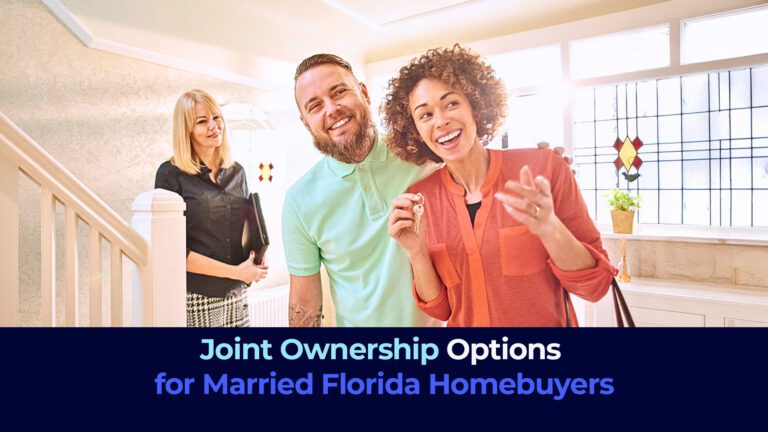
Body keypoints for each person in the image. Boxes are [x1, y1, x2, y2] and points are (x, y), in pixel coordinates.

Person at [383, 45, 616, 327]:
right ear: (415, 131)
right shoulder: (421, 201)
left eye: (451, 104)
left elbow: (595, 286)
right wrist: (416, 252)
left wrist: (549, 227)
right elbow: (441, 309)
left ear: (476, 106)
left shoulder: (544, 168)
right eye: (425, 115)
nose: (441, 120)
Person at [283, 54, 435, 327]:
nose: (331, 109)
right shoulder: (299, 201)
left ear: (363, 93)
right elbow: (304, 304)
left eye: (339, 92)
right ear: (306, 123)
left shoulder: (422, 155)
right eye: (315, 106)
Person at [155, 89, 268, 327]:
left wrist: (256, 257)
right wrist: (237, 272)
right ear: (186, 130)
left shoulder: (237, 171)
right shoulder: (170, 175)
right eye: (202, 121)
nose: (213, 126)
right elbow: (172, 251)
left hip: (237, 293)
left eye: (216, 118)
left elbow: (245, 228)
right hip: (198, 297)